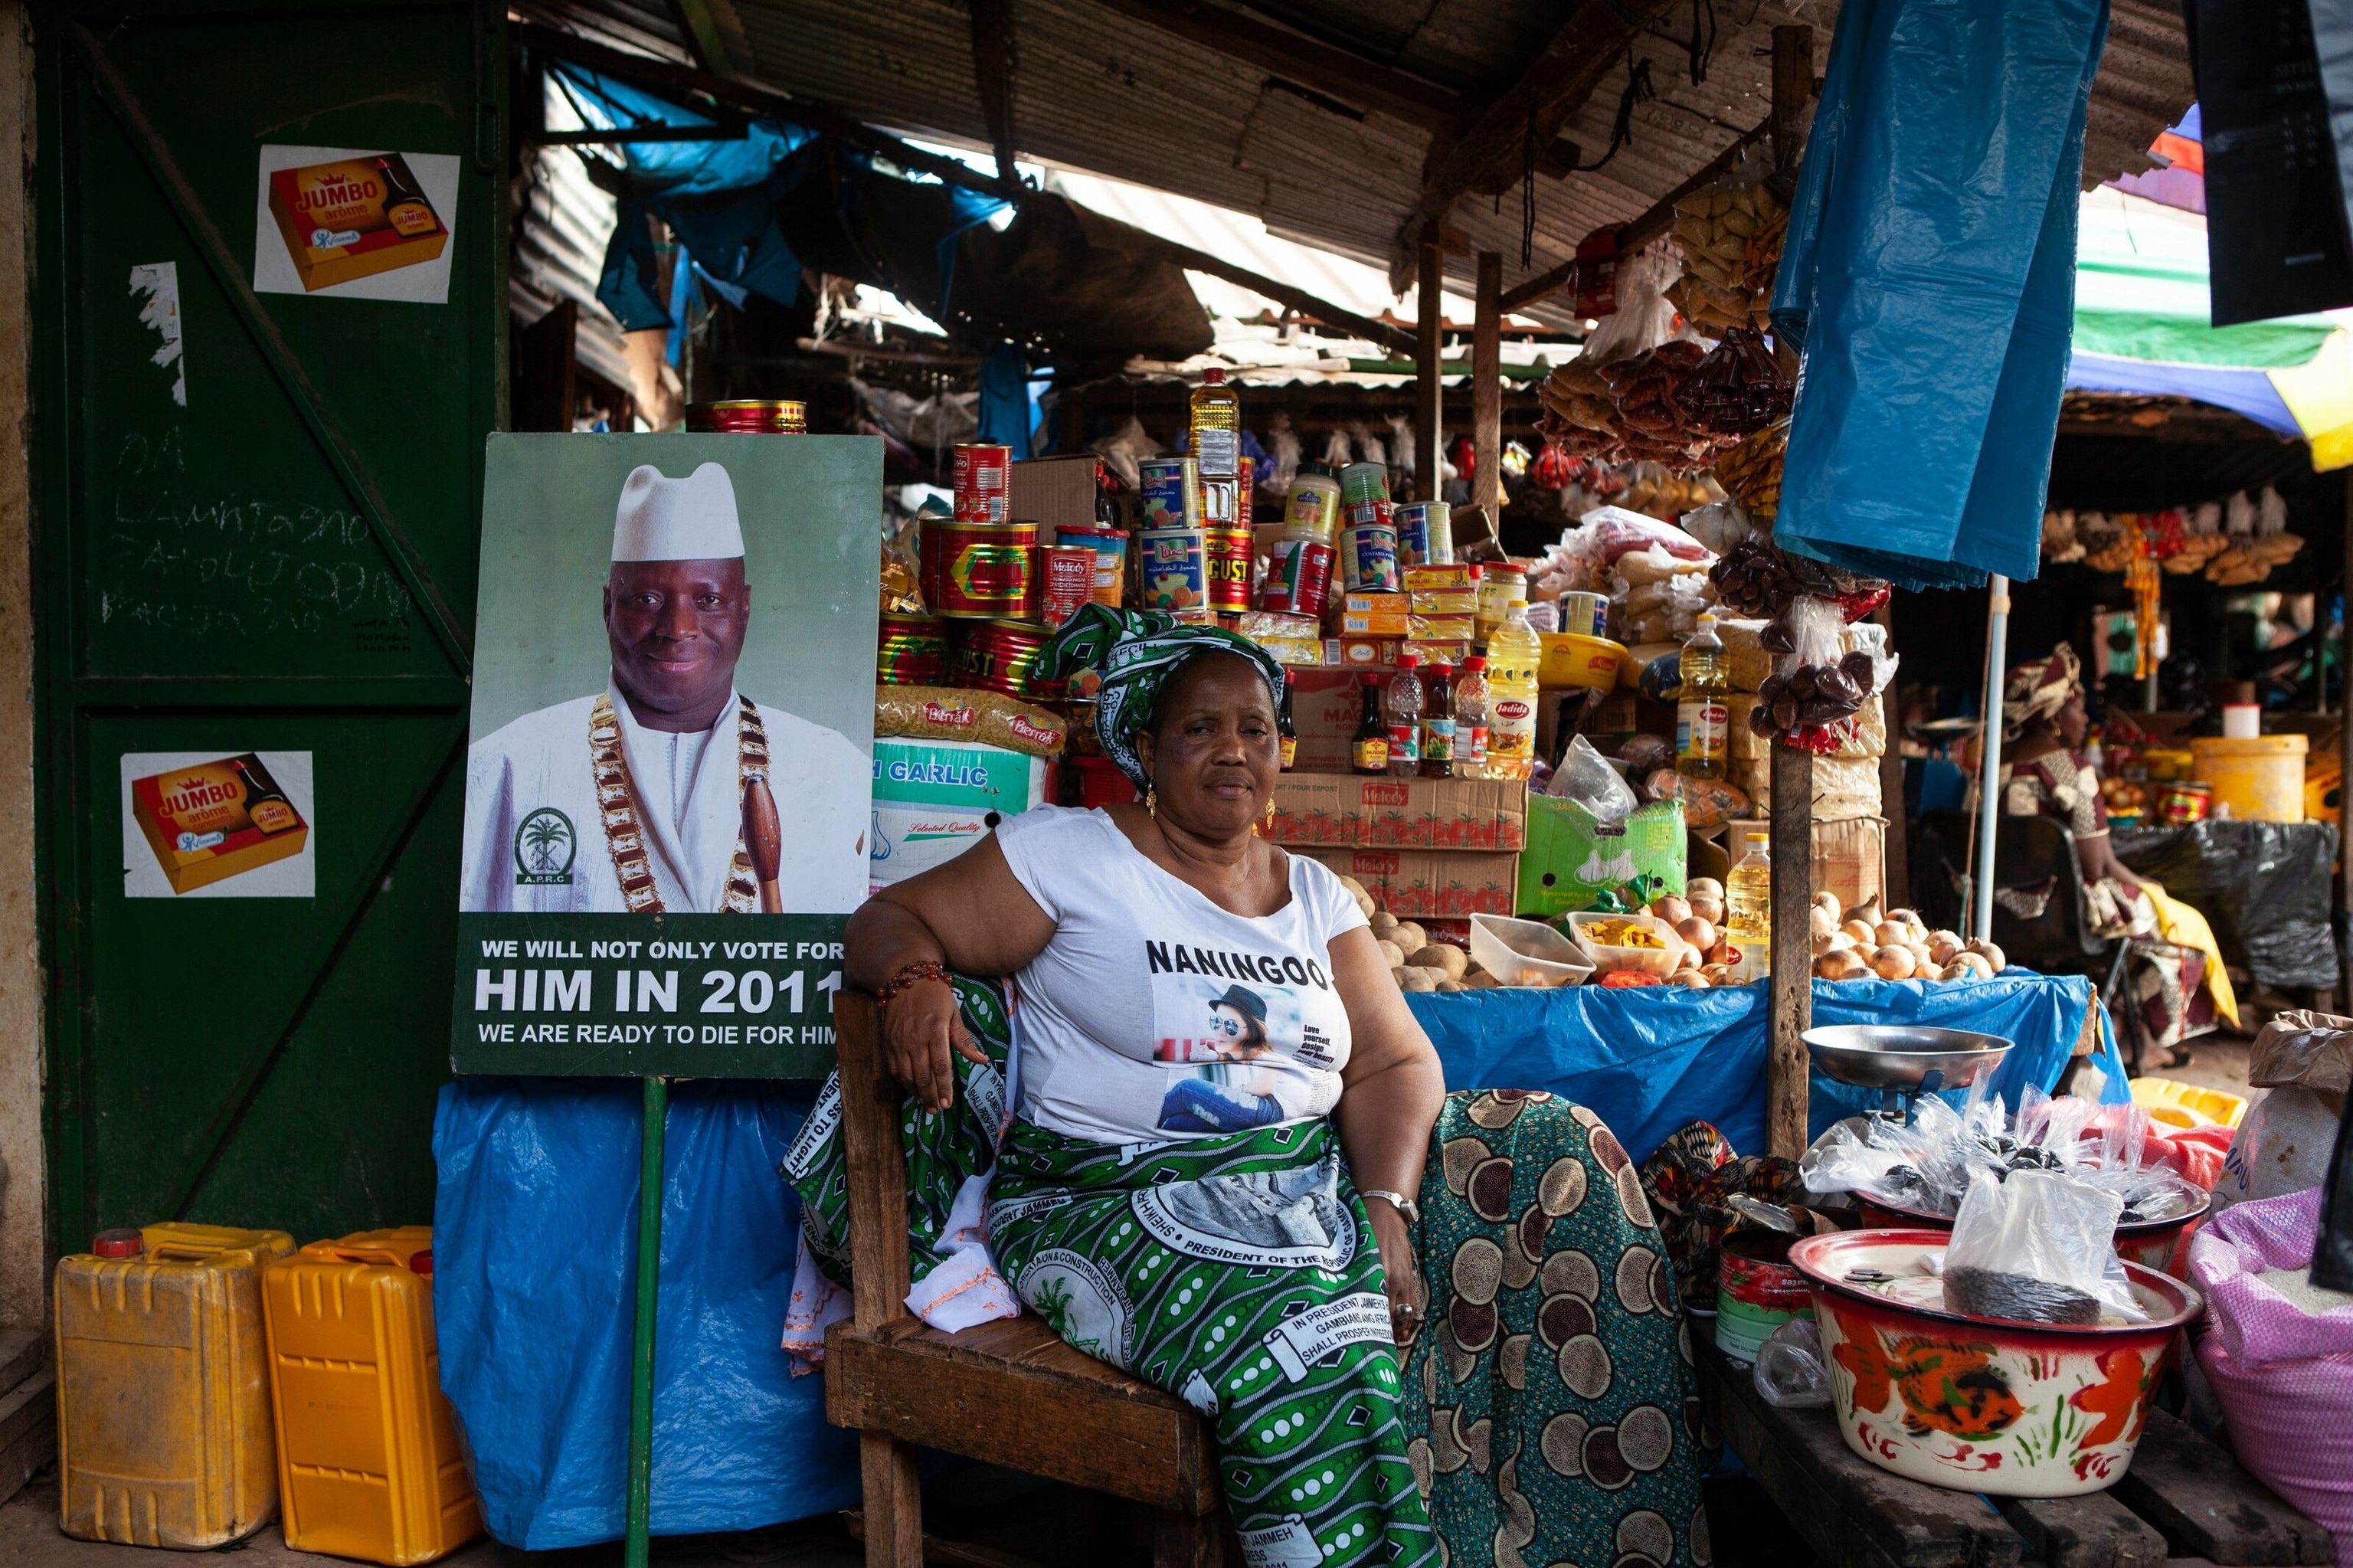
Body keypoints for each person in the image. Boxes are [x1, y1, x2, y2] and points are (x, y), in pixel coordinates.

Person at [820, 604, 1707, 1568]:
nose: (1232, 750)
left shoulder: (1314, 892)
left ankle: (1586, 1546)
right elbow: (891, 916)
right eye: (1199, 728)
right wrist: (912, 980)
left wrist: (1389, 1209)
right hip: (1119, 1197)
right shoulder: (1070, 853)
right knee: (1309, 1321)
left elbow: (1395, 1062)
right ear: (1147, 750)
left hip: (1309, 1176)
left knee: (1564, 1154)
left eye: (1254, 727)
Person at [459, 461, 867, 915]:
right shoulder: (507, 766)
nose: (677, 629)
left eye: (708, 600)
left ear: (744, 608)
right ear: (609, 607)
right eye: (646, 600)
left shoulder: (837, 770)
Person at [2000, 643, 2234, 1063]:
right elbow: (2099, 865)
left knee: (2146, 920)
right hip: (2061, 915)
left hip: (1999, 912)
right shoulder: (2070, 768)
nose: (2086, 718)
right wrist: (2151, 888)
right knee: (2178, 935)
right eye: (2078, 707)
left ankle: (2133, 1035)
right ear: (2053, 716)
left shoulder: (1987, 767)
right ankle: (2134, 1037)